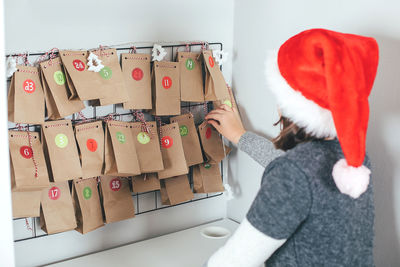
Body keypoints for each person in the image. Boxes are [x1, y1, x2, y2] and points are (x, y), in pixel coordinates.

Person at [203, 28, 379, 267]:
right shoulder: (352, 160)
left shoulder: (294, 173)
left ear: (291, 103)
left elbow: (235, 260)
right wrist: (239, 135)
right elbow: (298, 170)